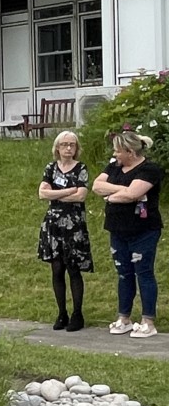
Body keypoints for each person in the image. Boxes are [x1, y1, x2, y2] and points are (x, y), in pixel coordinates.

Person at [92, 130, 164, 338]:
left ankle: (148, 321)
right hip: (117, 229)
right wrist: (122, 190)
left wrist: (112, 196)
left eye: (118, 151)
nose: (115, 155)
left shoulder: (150, 169)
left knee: (144, 272)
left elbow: (133, 195)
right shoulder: (115, 166)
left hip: (144, 230)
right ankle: (124, 318)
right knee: (124, 273)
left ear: (130, 152)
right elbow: (97, 186)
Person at [37, 130, 94, 332]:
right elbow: (42, 193)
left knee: (73, 268)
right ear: (57, 148)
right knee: (57, 269)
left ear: (76, 148)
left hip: (74, 223)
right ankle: (62, 312)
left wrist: (56, 194)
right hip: (53, 224)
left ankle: (78, 314)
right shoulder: (51, 168)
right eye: (64, 145)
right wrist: (68, 190)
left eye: (72, 144)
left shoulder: (81, 168)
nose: (68, 148)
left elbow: (81, 196)